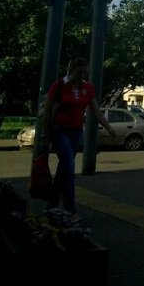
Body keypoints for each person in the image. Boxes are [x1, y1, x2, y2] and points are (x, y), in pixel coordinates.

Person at [41, 57, 114, 218]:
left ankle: (51, 206)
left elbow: (95, 111)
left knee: (63, 169)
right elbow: (47, 111)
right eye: (79, 72)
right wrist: (46, 135)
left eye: (84, 72)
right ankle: (70, 209)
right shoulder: (59, 86)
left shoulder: (88, 88)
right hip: (59, 130)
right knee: (69, 166)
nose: (82, 75)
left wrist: (108, 127)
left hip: (76, 132)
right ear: (71, 70)